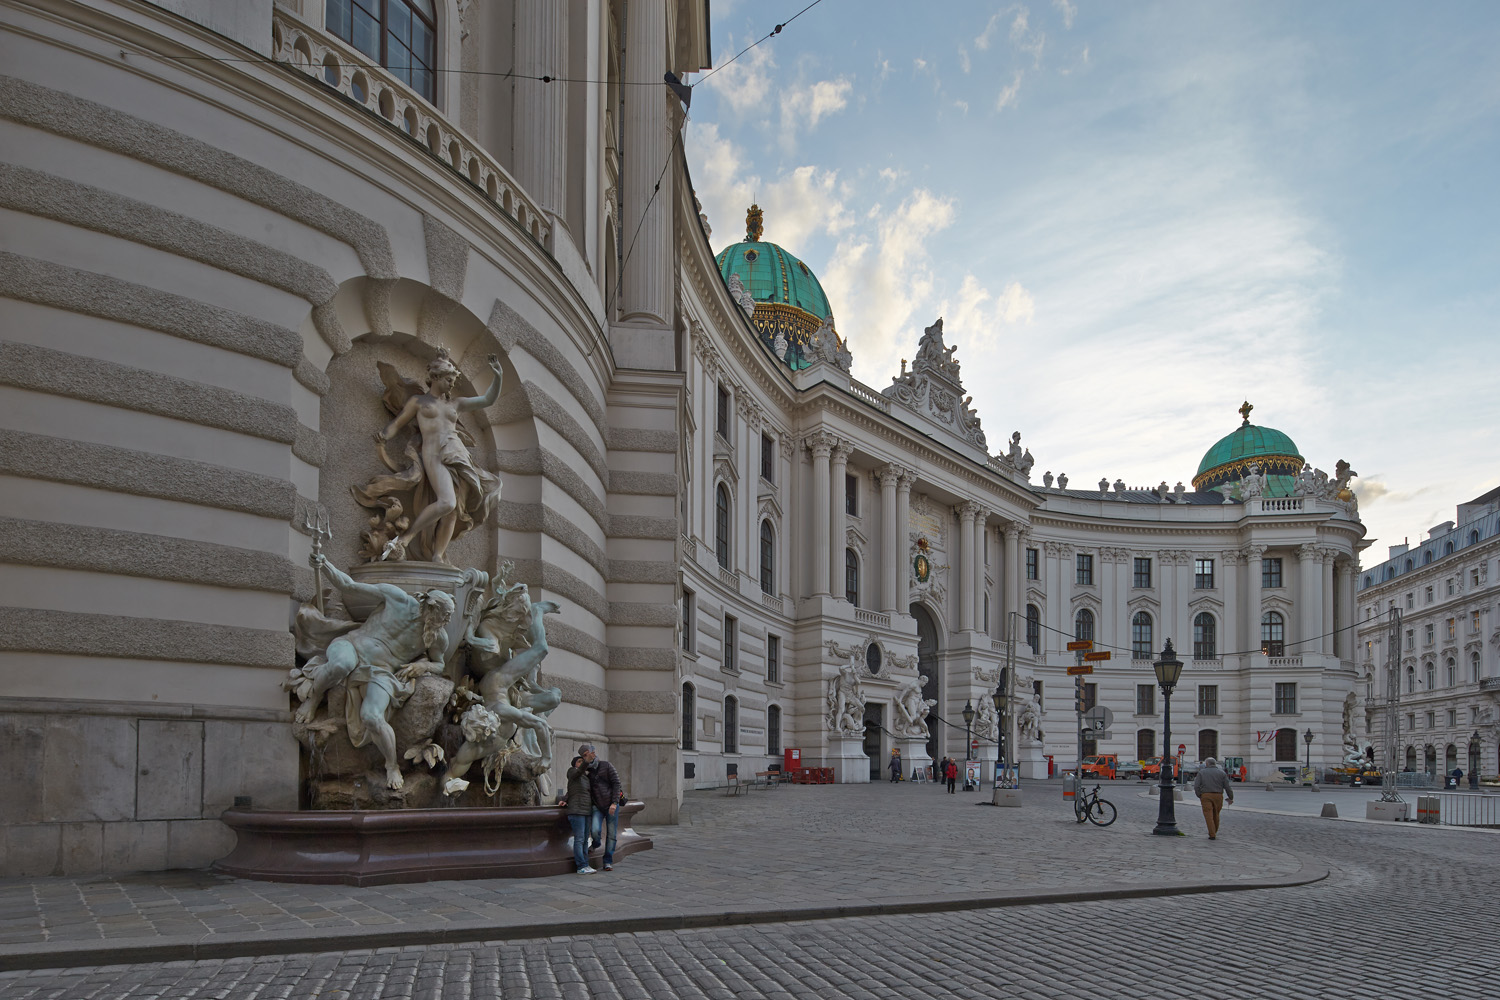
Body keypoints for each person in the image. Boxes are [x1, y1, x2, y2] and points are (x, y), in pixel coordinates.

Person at [580, 743, 623, 871]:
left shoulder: (606, 765)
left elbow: (617, 784)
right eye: (584, 754)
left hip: (611, 804)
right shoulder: (585, 770)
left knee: (611, 835)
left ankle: (607, 861)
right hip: (597, 806)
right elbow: (577, 786)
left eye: (589, 752)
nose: (588, 755)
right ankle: (596, 843)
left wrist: (614, 803)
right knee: (594, 830)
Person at [561, 754, 595, 874]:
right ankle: (581, 866)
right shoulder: (572, 772)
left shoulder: (586, 777)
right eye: (579, 761)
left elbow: (572, 791)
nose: (581, 763)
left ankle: (585, 864)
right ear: (574, 764)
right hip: (577, 811)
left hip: (586, 810)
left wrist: (564, 799)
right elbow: (577, 773)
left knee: (585, 840)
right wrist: (586, 761)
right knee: (579, 839)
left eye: (583, 761)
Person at [1192, 756, 1235, 840]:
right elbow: (1227, 787)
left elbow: (1196, 786)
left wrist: (1199, 795)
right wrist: (1231, 797)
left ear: (1207, 764)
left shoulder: (1202, 772)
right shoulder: (1222, 773)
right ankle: (1214, 831)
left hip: (1206, 795)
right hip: (1218, 795)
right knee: (1216, 814)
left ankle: (1212, 834)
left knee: (1208, 815)